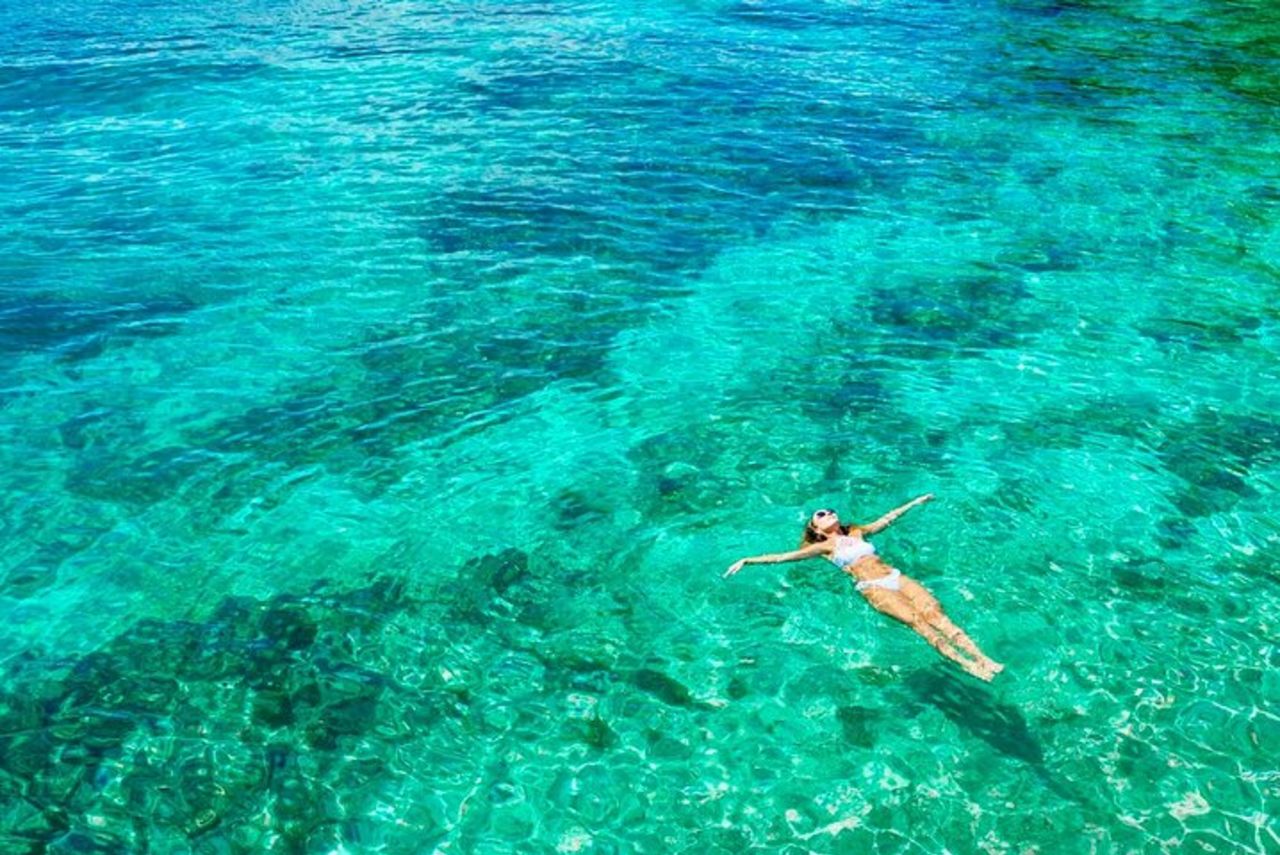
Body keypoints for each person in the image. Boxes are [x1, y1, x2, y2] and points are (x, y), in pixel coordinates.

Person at [724, 493, 1004, 681]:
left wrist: (915, 502)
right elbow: (783, 557)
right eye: (821, 514)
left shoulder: (857, 531)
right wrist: (747, 560)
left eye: (831, 510)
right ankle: (969, 666)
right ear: (817, 528)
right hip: (873, 587)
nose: (829, 512)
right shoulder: (823, 546)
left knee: (937, 614)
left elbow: (886, 519)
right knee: (920, 624)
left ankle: (983, 658)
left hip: (896, 576)